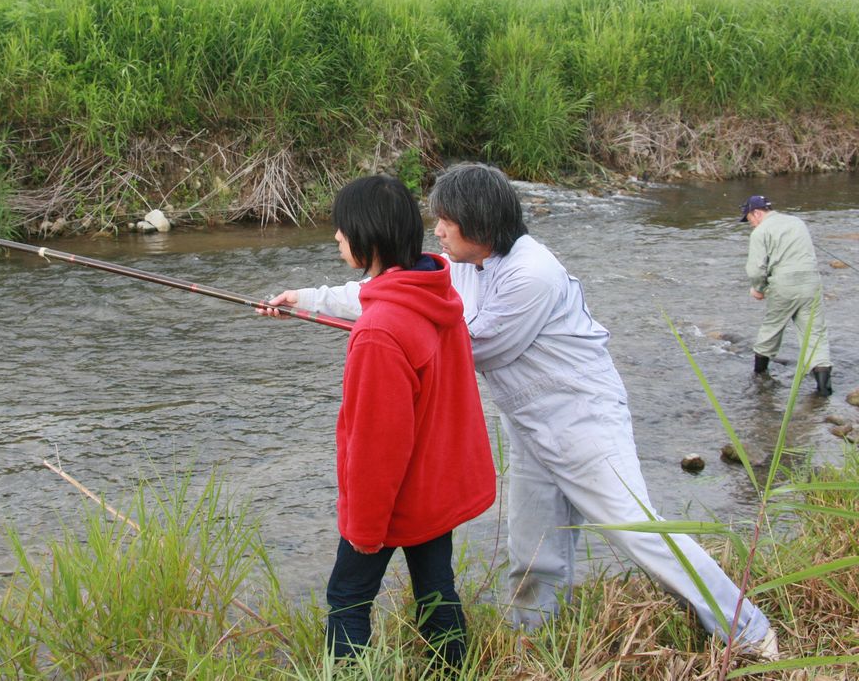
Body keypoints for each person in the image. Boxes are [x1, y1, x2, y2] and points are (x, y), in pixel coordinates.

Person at [263, 163, 778, 660]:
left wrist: (388, 332)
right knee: (532, 553)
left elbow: (460, 345)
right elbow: (392, 293)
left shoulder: (533, 273)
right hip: (528, 420)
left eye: (446, 220)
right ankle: (539, 647)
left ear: (479, 225)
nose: (436, 230)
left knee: (637, 531)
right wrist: (306, 299)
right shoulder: (466, 265)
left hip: (582, 419)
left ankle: (747, 629)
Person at [273, 174, 495, 667]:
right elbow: (374, 296)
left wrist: (364, 530)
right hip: (436, 488)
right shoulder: (437, 295)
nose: (335, 236)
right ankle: (451, 673)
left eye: (342, 228)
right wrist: (304, 299)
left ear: (367, 237)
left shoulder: (378, 334)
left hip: (394, 501)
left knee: (346, 599)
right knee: (437, 593)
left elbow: (377, 448)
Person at [740, 195, 833, 396]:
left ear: (757, 213)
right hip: (812, 283)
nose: (750, 224)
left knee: (772, 328)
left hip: (784, 284)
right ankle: (824, 391)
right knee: (815, 333)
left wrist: (758, 288)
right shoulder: (797, 222)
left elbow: (756, 269)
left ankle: (759, 377)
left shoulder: (760, 232)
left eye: (749, 219)